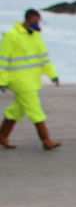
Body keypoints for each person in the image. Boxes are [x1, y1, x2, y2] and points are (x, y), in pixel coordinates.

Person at [0, 9, 61, 150]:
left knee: (17, 110)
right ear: (27, 19)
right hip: (19, 81)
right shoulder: (11, 36)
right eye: (35, 21)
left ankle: (2, 136)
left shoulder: (36, 36)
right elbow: (3, 60)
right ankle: (46, 140)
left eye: (39, 21)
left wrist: (53, 74)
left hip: (33, 80)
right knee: (35, 109)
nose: (37, 24)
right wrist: (2, 81)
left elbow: (44, 58)